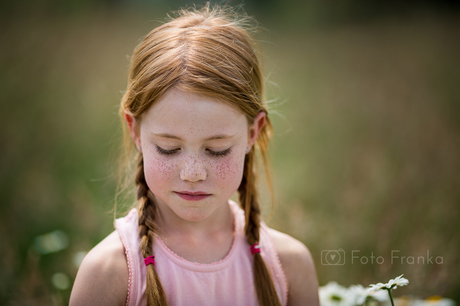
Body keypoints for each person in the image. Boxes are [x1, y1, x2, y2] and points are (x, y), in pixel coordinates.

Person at [70, 4, 319, 306]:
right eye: (168, 148)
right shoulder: (110, 274)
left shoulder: (289, 266)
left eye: (217, 150)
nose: (192, 172)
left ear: (253, 133)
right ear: (134, 131)